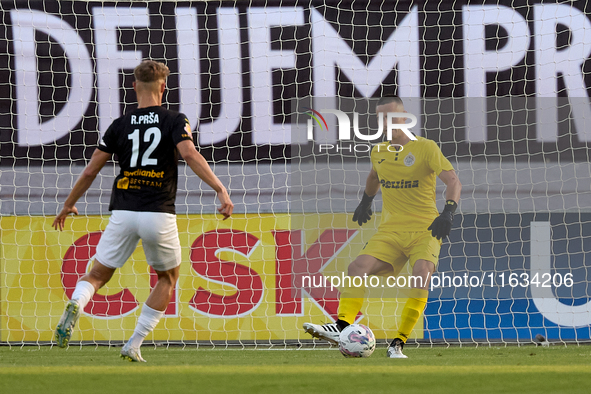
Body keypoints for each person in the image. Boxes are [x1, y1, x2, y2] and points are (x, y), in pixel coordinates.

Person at [53, 60, 233, 362]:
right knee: (167, 279)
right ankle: (134, 343)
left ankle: (77, 302)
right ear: (163, 87)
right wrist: (220, 188)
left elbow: (89, 172)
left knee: (97, 273)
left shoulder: (119, 125)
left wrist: (68, 203)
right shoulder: (175, 120)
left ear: (134, 86)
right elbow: (189, 153)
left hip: (123, 211)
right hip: (158, 212)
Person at [303, 95, 461, 358]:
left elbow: (453, 181)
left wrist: (448, 212)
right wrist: (366, 201)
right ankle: (341, 327)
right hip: (390, 231)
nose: (387, 123)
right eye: (381, 118)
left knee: (422, 273)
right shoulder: (379, 151)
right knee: (357, 267)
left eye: (392, 116)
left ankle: (398, 343)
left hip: (425, 229)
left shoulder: (426, 148)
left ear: (405, 117)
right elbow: (374, 176)